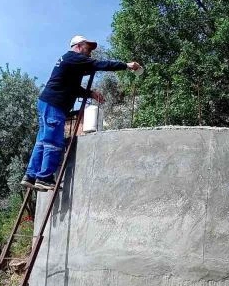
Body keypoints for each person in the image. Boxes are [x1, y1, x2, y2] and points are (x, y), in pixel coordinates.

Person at [22, 35, 142, 191]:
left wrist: (90, 94)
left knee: (42, 140)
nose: (90, 52)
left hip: (47, 103)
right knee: (53, 141)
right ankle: (44, 177)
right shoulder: (73, 57)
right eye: (88, 48)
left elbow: (72, 87)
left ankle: (30, 176)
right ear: (78, 46)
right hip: (55, 105)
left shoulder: (69, 62)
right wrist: (126, 65)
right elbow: (100, 64)